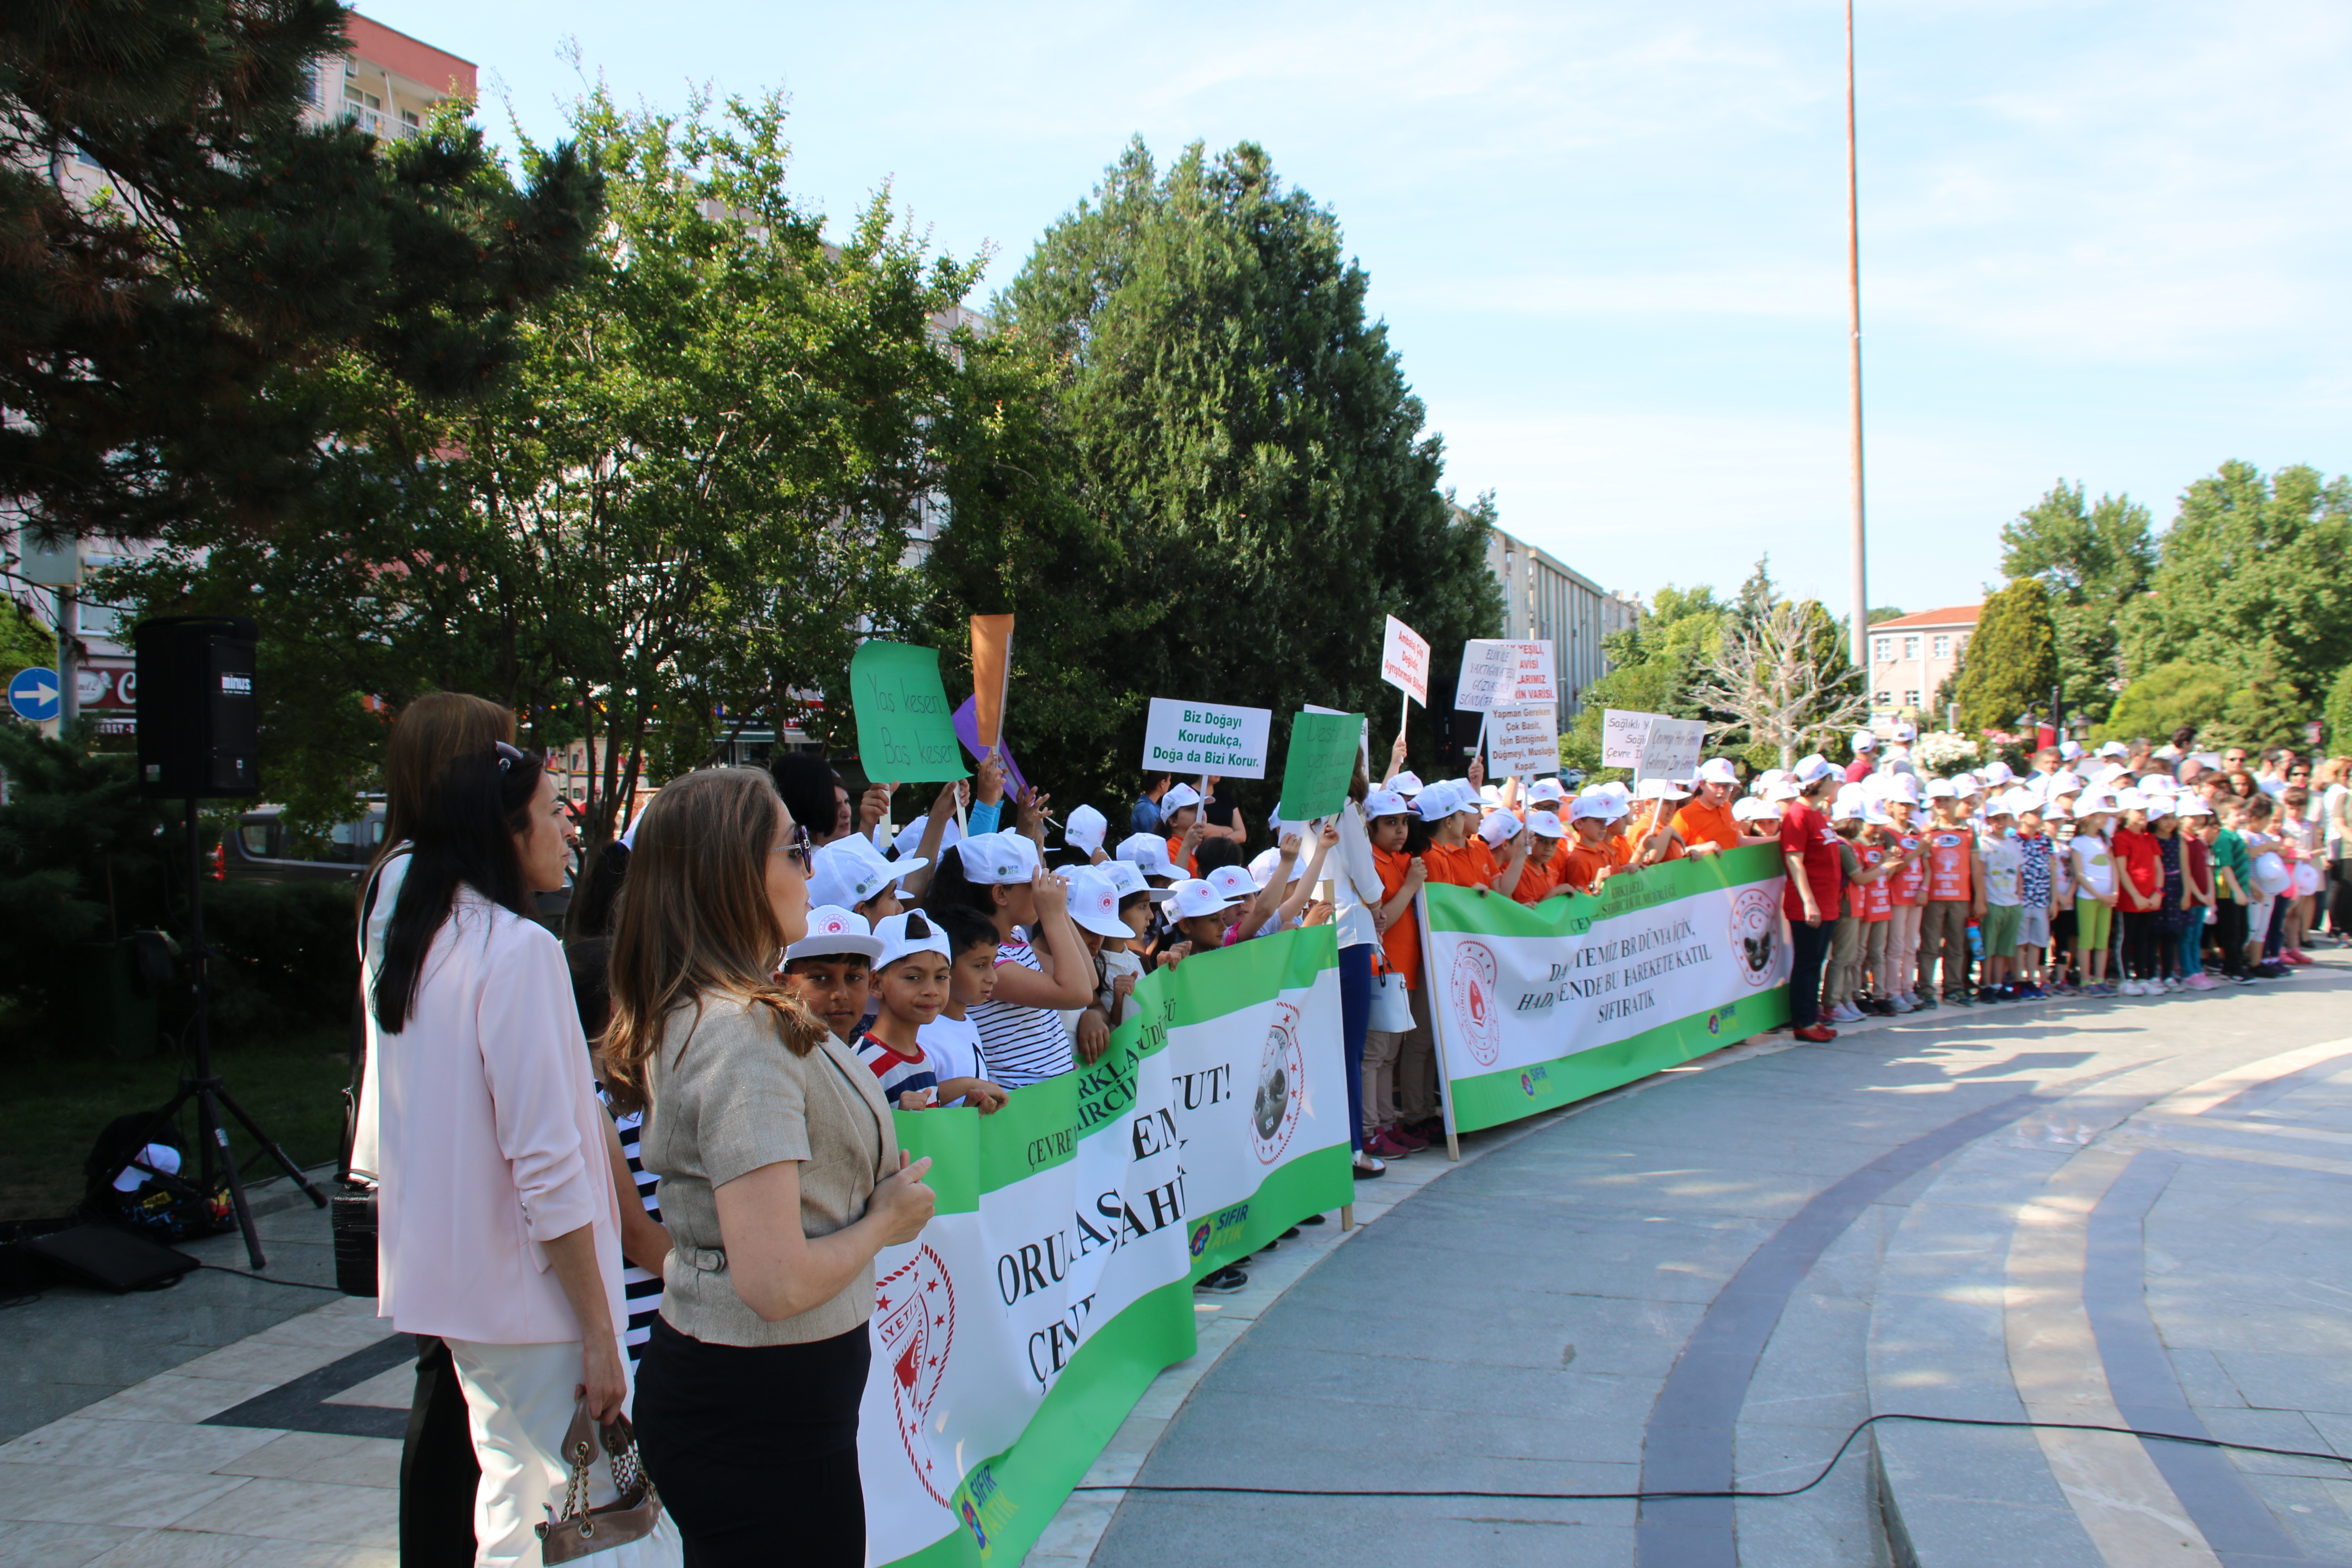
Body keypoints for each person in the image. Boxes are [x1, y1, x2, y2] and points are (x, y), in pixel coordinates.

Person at [606, 767, 936, 1568]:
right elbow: (777, 1282)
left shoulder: (732, 1012)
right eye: (794, 847)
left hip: (768, 1403)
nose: (813, 865)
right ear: (731, 871)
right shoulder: (740, 1033)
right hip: (760, 1409)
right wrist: (884, 1222)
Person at [371, 744, 675, 1567]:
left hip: (461, 1289)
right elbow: (547, 1159)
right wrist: (598, 1327)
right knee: (577, 1513)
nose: (566, 830)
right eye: (549, 811)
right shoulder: (515, 951)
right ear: (502, 832)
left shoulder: (417, 937)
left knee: (514, 1502)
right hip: (534, 1294)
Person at [354, 694, 515, 1568]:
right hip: (442, 1170)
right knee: (448, 1385)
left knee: (457, 1385)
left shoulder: (421, 876)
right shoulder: (411, 879)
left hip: (447, 1168)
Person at [923, 830, 1099, 1085]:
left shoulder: (1016, 939)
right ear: (1001, 894)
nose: (1042, 893)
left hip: (1047, 1096)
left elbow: (1089, 980)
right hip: (1019, 1101)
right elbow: (1078, 994)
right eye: (1033, 886)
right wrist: (1051, 916)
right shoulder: (987, 961)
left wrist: (1060, 912)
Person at [1779, 759, 1844, 1043]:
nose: (1834, 781)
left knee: (1816, 962)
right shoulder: (1799, 815)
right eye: (1831, 776)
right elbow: (1795, 861)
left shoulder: (1818, 813)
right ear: (1820, 781)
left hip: (1827, 901)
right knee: (1807, 964)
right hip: (1811, 903)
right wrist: (1809, 902)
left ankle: (1811, 1017)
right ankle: (1803, 1021)